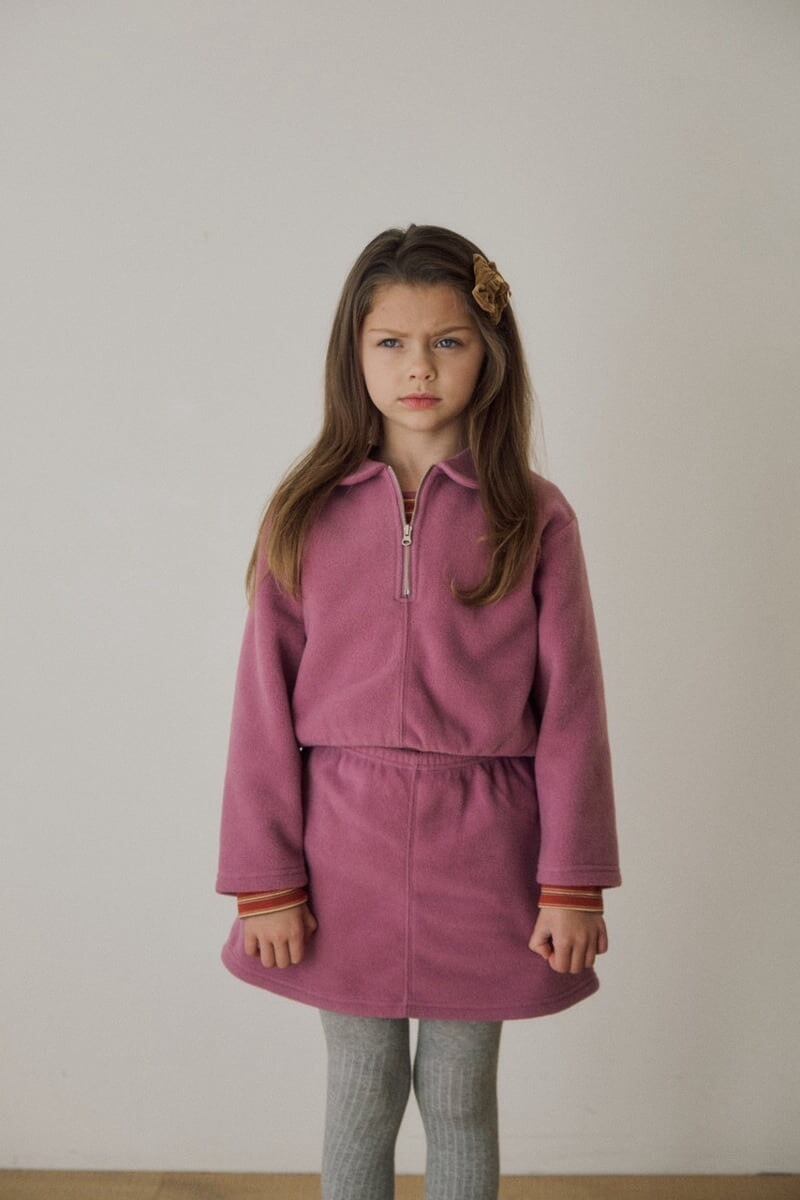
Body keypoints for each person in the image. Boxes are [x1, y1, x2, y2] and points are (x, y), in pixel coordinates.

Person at [214, 223, 622, 1200]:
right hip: (340, 848)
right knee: (360, 1089)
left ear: (490, 353)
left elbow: (572, 708)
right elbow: (261, 707)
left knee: (459, 1095)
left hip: (485, 851)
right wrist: (265, 880)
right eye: (390, 342)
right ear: (353, 354)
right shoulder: (303, 512)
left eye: (448, 341)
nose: (419, 367)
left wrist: (572, 880)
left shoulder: (534, 515)